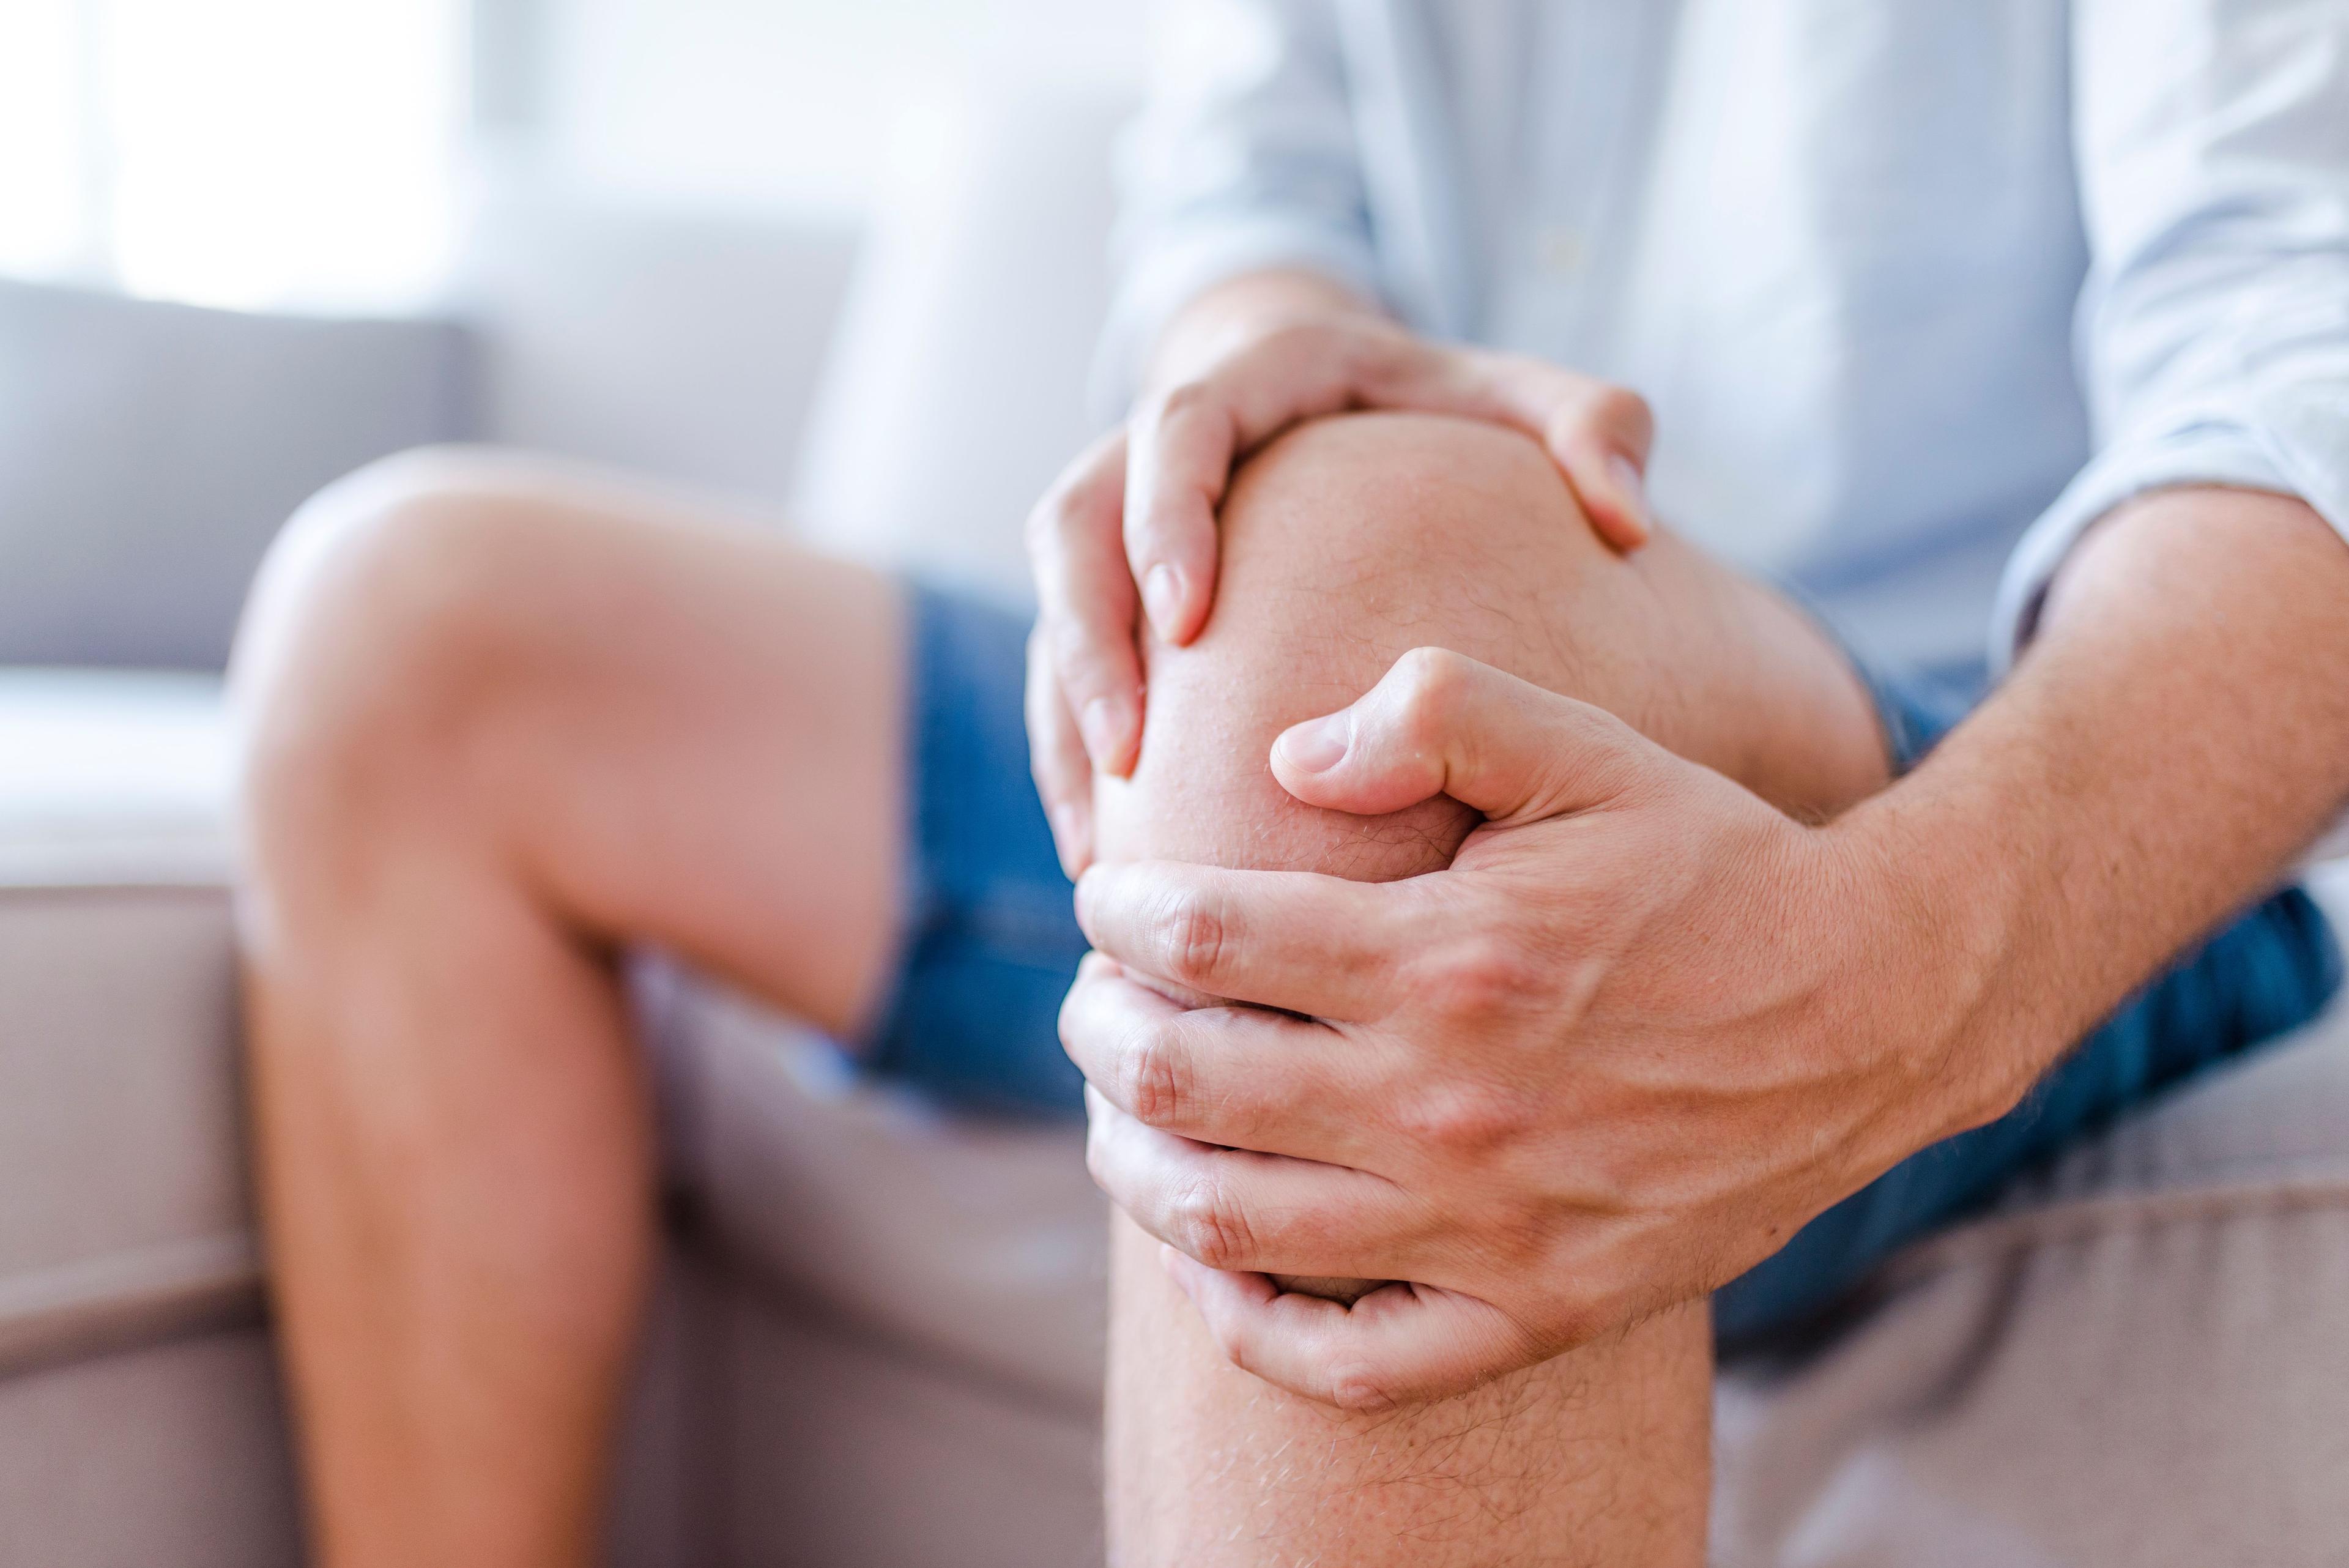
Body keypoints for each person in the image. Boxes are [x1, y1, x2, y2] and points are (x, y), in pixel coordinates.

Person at [228, 2, 2349, 1563]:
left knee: (1374, 659)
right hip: (1331, 678)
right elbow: (1243, 209)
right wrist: (1254, 374)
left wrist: (1893, 962)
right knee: (405, 630)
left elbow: (2302, 394)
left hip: (2004, 773)